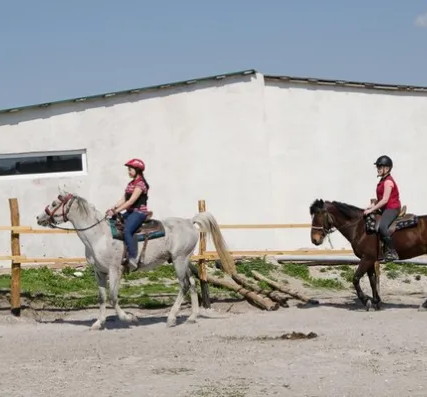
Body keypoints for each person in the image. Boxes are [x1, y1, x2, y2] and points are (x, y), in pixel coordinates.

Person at [107, 158, 150, 271]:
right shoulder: (130, 184)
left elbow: (130, 202)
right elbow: (124, 199)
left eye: (130, 169)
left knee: (127, 230)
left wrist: (117, 211)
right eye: (128, 170)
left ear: (137, 170)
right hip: (130, 212)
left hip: (139, 212)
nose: (129, 172)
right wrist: (113, 208)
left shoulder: (141, 184)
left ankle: (132, 258)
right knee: (112, 223)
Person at [363, 155, 400, 262]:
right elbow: (380, 199)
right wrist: (371, 206)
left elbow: (385, 200)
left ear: (387, 169)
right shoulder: (382, 180)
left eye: (380, 167)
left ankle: (392, 252)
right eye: (378, 167)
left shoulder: (388, 182)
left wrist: (372, 209)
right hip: (385, 207)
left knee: (383, 226)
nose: (378, 169)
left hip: (392, 208)